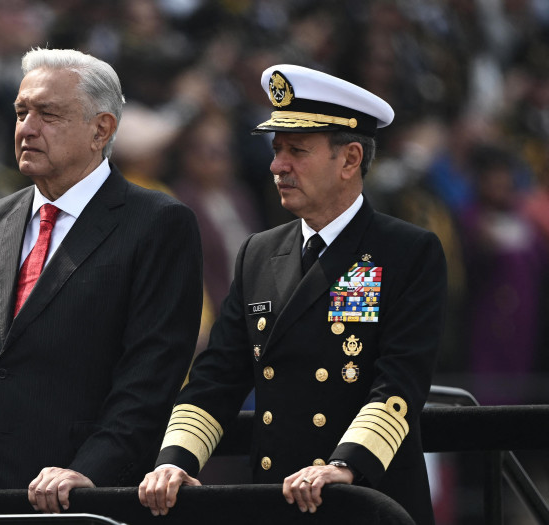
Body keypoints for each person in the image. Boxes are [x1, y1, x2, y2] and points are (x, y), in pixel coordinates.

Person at [0, 48, 202, 516]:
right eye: (20, 112)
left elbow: (151, 375)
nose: (26, 128)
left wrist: (89, 470)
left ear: (102, 129)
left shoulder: (158, 223)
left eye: (47, 114)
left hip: (89, 502)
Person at [138, 64, 446, 525]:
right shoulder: (258, 253)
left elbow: (399, 383)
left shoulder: (407, 251)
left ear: (350, 159)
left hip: (365, 499)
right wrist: (174, 461)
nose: (277, 165)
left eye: (297, 151)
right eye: (277, 149)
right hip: (277, 500)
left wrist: (346, 465)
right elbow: (217, 376)